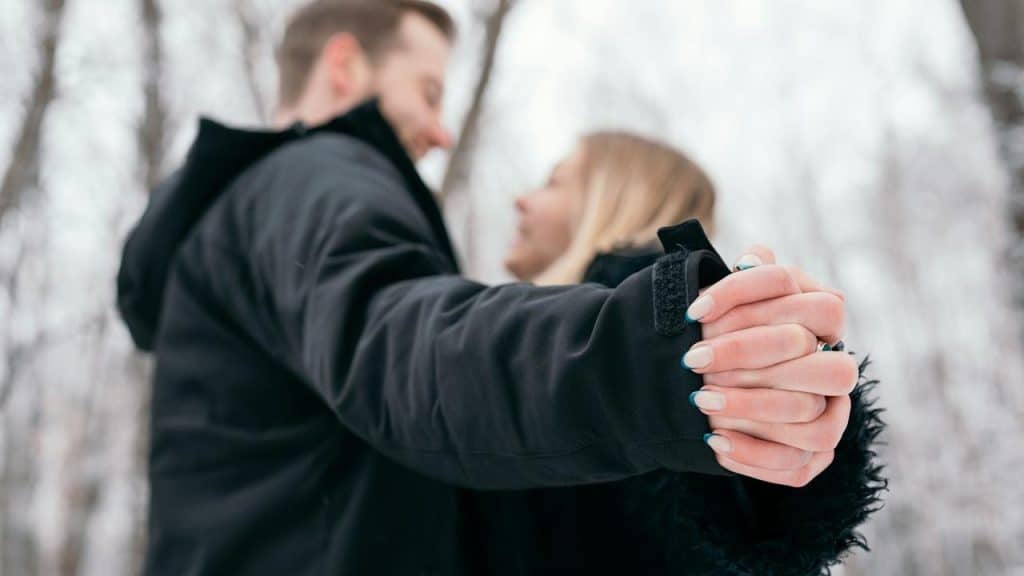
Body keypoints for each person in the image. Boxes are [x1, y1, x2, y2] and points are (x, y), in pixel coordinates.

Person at [115, 1, 866, 574]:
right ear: (344, 68)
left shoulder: (254, 219)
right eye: (430, 91)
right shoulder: (321, 176)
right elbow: (409, 347)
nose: (441, 132)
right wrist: (654, 361)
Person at [502, 131, 885, 574]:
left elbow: (750, 531)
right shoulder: (596, 331)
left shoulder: (656, 327)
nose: (522, 201)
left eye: (553, 182)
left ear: (616, 198)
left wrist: (792, 390)